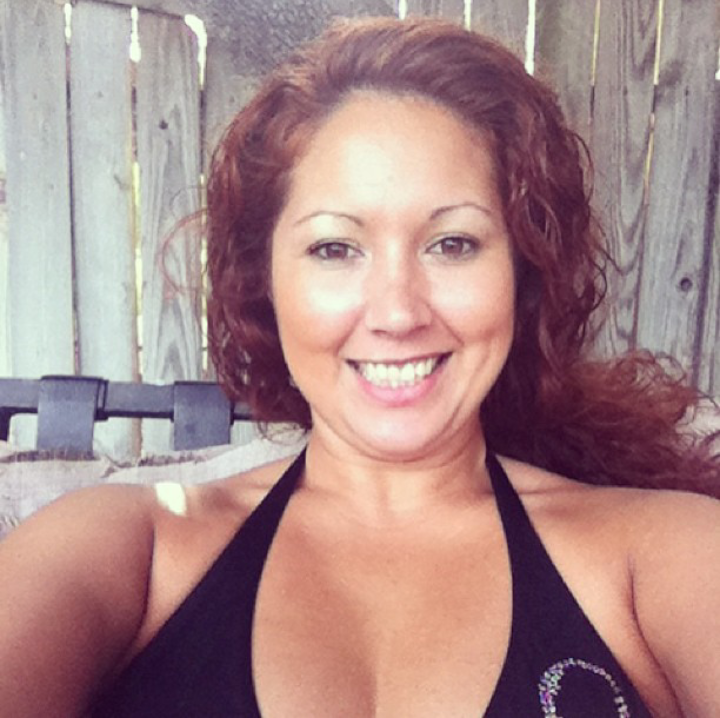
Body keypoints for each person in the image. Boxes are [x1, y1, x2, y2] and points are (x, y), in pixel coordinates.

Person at [1, 16, 718, 717]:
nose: (398, 312)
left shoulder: (664, 557)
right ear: (264, 280)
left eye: (453, 244)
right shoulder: (125, 547)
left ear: (523, 273)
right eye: (335, 249)